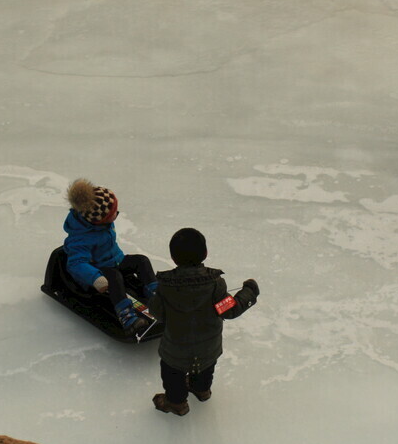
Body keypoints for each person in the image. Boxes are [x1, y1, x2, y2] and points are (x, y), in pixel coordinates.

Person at [147, 227, 259, 416]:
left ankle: (177, 403)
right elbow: (229, 309)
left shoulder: (165, 286)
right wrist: (249, 292)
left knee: (173, 375)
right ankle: (202, 390)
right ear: (205, 253)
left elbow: (158, 313)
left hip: (175, 351)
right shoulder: (215, 284)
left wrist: (154, 300)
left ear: (173, 257)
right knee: (205, 369)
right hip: (208, 348)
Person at [63, 178, 158, 335]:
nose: (116, 215)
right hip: (99, 269)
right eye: (114, 214)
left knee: (141, 260)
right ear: (100, 220)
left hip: (116, 260)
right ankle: (127, 316)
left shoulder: (101, 222)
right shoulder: (80, 239)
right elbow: (76, 264)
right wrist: (95, 278)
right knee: (114, 276)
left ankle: (156, 294)